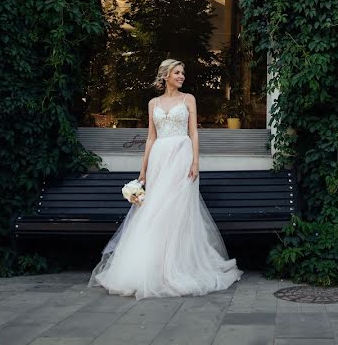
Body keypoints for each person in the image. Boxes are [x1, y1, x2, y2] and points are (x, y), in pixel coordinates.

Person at [89, 59, 242, 298]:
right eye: (177, 72)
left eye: (183, 72)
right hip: (160, 157)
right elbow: (151, 137)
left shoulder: (188, 99)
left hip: (181, 155)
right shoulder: (153, 103)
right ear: (165, 76)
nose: (181, 76)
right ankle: (153, 267)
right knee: (155, 209)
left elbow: (193, 132)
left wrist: (195, 161)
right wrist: (143, 170)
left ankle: (178, 265)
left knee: (176, 210)